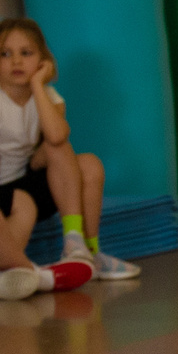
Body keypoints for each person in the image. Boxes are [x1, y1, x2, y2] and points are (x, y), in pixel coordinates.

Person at [0, 17, 138, 298]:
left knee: (84, 161)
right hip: (9, 192)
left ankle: (82, 247)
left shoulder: (48, 95)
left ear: (42, 60)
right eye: (5, 54)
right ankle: (24, 271)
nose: (16, 61)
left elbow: (56, 136)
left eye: (26, 53)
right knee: (23, 206)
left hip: (23, 180)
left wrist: (38, 85)